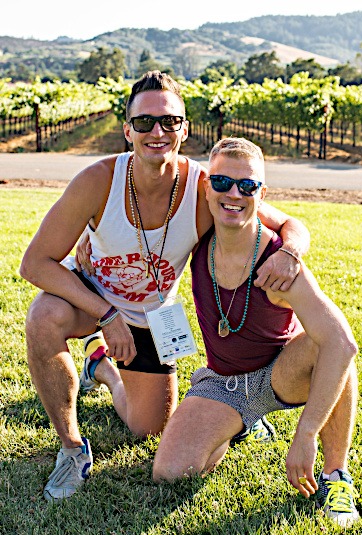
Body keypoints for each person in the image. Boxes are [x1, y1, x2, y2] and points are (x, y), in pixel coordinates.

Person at [20, 71, 310, 502]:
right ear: (127, 130)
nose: (157, 132)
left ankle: (100, 367)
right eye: (144, 122)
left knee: (148, 427)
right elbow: (34, 263)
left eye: (170, 122)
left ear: (184, 129)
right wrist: (107, 313)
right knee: (43, 317)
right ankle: (72, 448)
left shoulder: (205, 188)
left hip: (157, 315)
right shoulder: (98, 181)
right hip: (92, 299)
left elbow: (286, 223)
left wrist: (290, 252)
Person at [152, 137, 360, 528]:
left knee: (328, 342)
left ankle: (336, 475)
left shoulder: (279, 263)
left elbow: (342, 343)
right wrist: (86, 240)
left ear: (261, 194)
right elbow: (138, 230)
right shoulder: (196, 237)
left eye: (247, 186)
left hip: (283, 374)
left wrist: (306, 434)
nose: (234, 194)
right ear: (205, 187)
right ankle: (242, 422)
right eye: (222, 183)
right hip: (224, 381)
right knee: (171, 472)